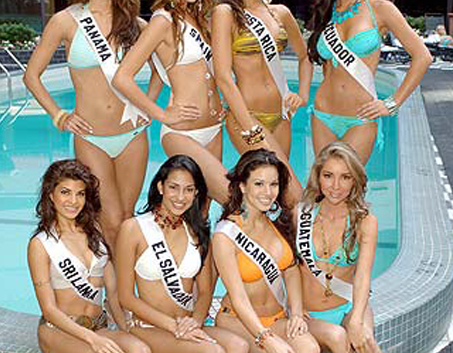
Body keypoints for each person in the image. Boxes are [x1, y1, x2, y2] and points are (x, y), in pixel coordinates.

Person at [23, 0, 150, 249]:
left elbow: (164, 69)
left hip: (133, 135)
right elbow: (31, 76)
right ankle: (119, 283)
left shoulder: (135, 24)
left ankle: (122, 281)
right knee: (109, 221)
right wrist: (59, 115)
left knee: (127, 220)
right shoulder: (65, 21)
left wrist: (150, 107)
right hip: (91, 137)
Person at [113, 0, 229, 206]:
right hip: (183, 133)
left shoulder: (199, 19)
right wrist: (161, 114)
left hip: (214, 128)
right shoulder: (162, 21)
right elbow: (122, 77)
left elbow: (165, 70)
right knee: (232, 198)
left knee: (200, 214)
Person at [307, 0, 432, 163]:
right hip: (322, 114)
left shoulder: (381, 9)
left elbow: (423, 57)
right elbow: (327, 67)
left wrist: (392, 103)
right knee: (324, 183)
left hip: (361, 118)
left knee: (350, 182)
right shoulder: (325, 11)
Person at [212, 0, 311, 205]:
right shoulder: (225, 13)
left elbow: (305, 57)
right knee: (293, 193)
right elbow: (223, 76)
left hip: (281, 116)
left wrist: (302, 95)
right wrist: (249, 127)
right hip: (247, 118)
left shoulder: (281, 13)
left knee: (278, 198)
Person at [116, 155, 249, 353]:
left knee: (239, 346)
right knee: (212, 351)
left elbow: (204, 292)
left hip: (187, 325)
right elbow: (126, 297)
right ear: (161, 187)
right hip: (150, 327)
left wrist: (195, 322)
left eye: (188, 189)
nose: (180, 197)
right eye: (173, 187)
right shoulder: (133, 228)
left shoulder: (197, 232)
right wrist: (174, 326)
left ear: (196, 193)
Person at [27, 159, 150, 353]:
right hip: (59, 330)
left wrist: (126, 330)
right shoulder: (41, 244)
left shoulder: (95, 234)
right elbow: (49, 310)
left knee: (140, 349)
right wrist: (93, 340)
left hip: (98, 327)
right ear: (51, 195)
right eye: (65, 192)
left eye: (80, 194)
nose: (73, 201)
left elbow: (113, 293)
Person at [213, 149, 320, 353]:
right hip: (239, 321)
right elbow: (238, 298)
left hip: (277, 317)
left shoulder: (278, 222)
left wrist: (296, 313)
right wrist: (266, 338)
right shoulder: (226, 235)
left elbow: (291, 269)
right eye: (259, 184)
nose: (268, 192)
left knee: (309, 349)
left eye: (274, 184)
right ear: (242, 186)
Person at [295, 142, 381, 353]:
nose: (335, 186)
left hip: (347, 306)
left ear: (355, 180)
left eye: (345, 177)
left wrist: (356, 320)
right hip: (309, 313)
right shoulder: (300, 215)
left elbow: (363, 276)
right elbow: (287, 267)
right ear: (318, 176)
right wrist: (294, 306)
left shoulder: (365, 221)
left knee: (366, 342)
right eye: (328, 176)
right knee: (337, 337)